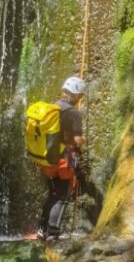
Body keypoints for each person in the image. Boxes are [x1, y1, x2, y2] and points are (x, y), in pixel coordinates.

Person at [37, 76, 86, 240]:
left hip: (46, 159)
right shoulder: (74, 114)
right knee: (62, 194)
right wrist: (81, 144)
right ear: (76, 95)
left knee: (52, 193)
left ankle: (41, 229)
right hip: (64, 160)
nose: (80, 99)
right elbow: (77, 141)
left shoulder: (52, 108)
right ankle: (52, 231)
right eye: (80, 96)